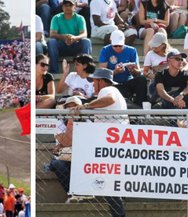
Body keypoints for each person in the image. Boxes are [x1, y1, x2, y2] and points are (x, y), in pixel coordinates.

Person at [72, 68, 126, 217]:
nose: (93, 85)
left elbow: (110, 99)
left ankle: (118, 213)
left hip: (112, 142)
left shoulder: (107, 89)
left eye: (94, 81)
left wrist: (86, 106)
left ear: (101, 81)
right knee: (108, 180)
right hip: (113, 140)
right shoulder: (111, 90)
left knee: (109, 181)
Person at [98, 30, 148, 107]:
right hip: (112, 84)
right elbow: (102, 73)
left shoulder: (132, 50)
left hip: (127, 82)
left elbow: (137, 73)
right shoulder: (105, 50)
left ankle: (140, 107)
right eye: (115, 46)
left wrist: (133, 70)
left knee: (141, 79)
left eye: (120, 45)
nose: (118, 48)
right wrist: (115, 71)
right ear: (111, 42)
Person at [48, 0, 92, 74]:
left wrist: (74, 38)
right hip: (61, 47)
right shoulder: (56, 18)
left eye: (70, 5)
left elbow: (84, 34)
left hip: (76, 46)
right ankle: (54, 71)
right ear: (62, 7)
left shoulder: (80, 18)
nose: (68, 7)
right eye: (65, 5)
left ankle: (86, 70)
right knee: (51, 42)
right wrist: (65, 37)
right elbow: (52, 34)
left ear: (75, 7)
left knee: (86, 41)